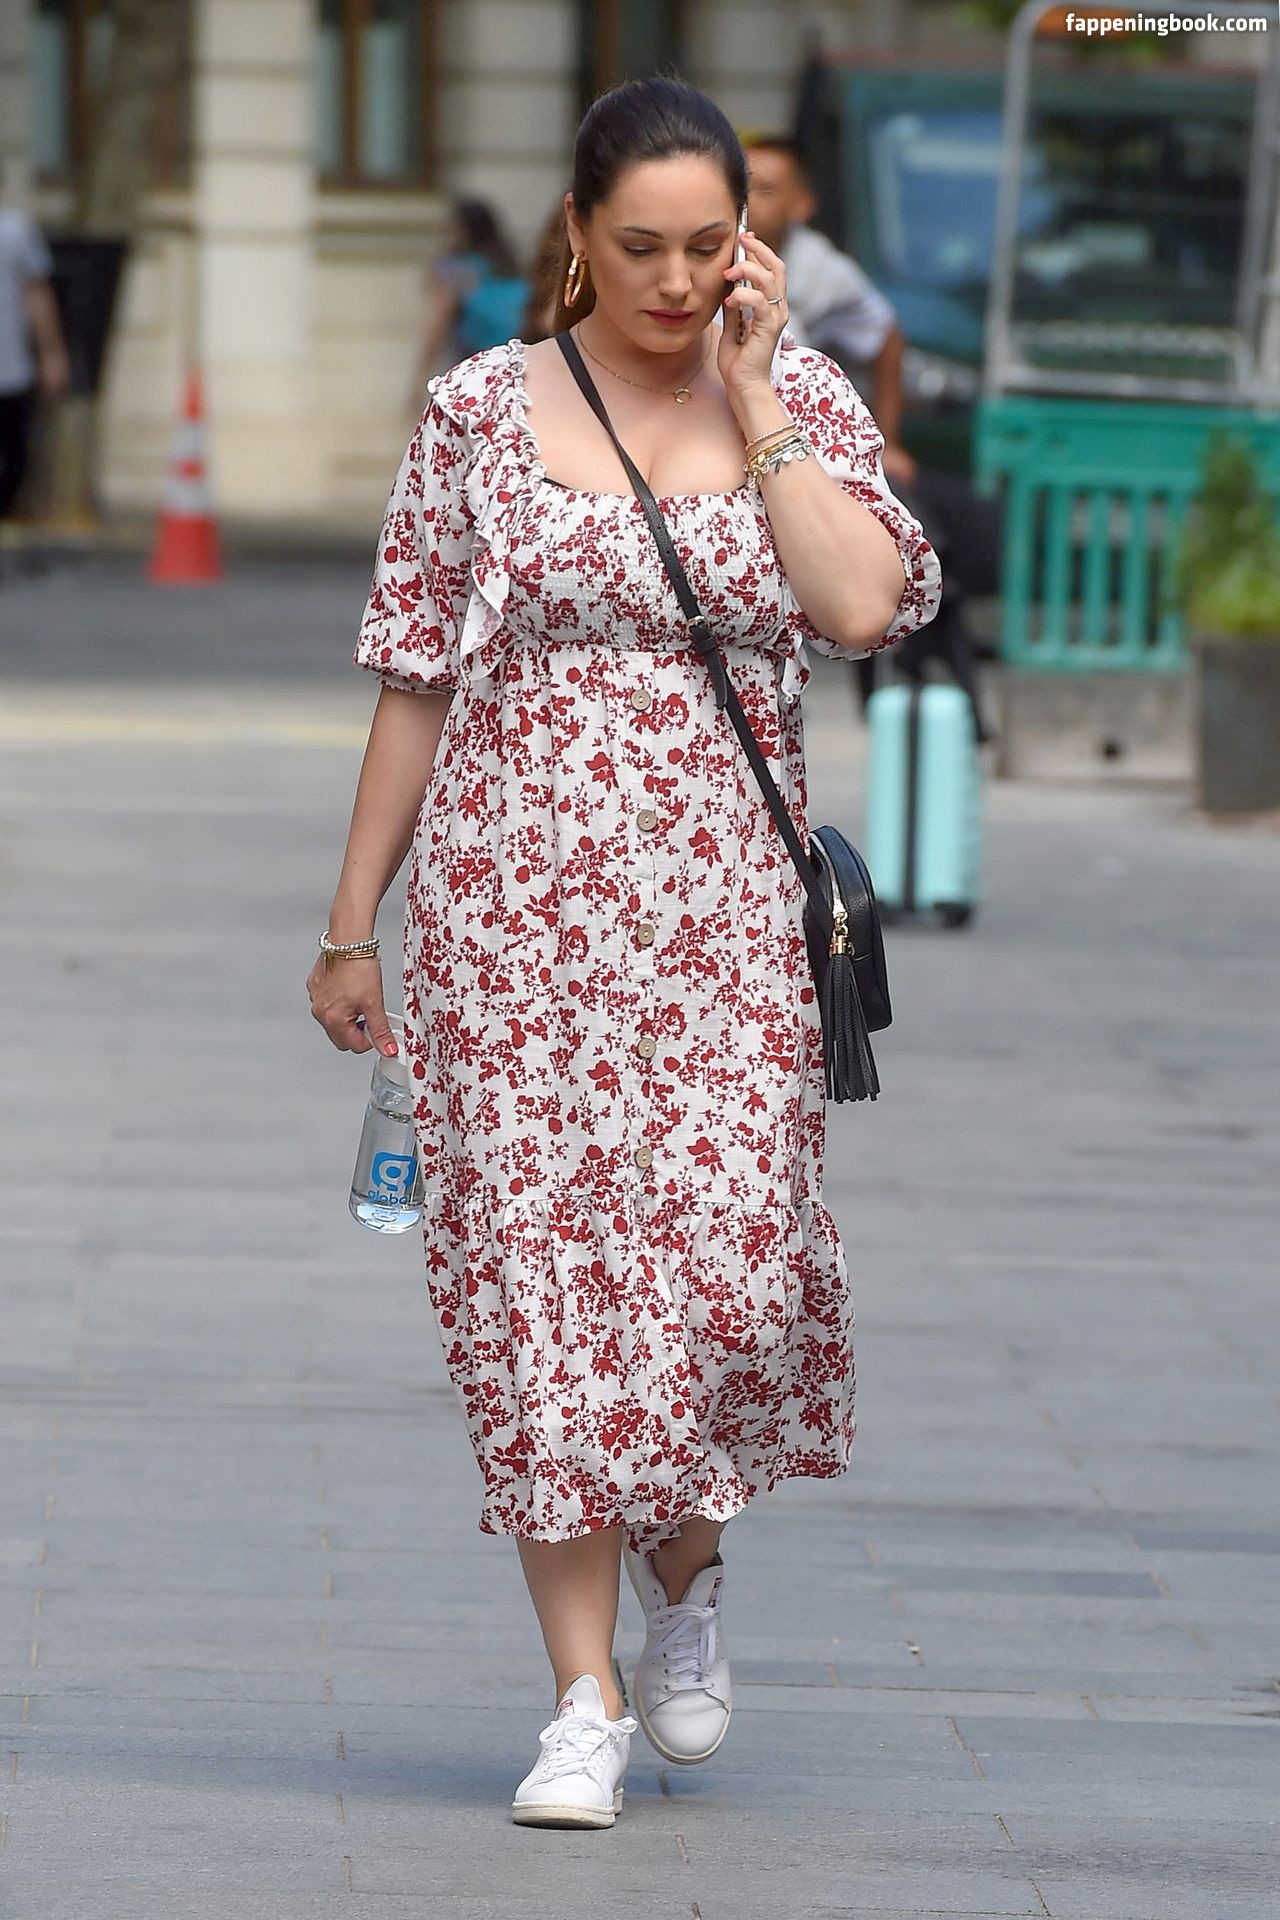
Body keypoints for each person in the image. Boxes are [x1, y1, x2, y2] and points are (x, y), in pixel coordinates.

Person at [308, 76, 940, 1830]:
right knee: (545, 1294)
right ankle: (580, 1697)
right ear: (579, 237)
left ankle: (693, 1575)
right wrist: (354, 921)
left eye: (707, 246)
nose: (674, 280)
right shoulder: (477, 412)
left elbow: (862, 606)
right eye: (640, 246)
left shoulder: (796, 395)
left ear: (753, 242)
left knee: (732, 1271)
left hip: (726, 927)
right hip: (516, 924)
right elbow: (415, 676)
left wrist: (762, 396)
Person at [746, 134, 998, 740]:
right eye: (745, 185)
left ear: (803, 204)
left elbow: (886, 336)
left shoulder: (821, 277)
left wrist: (888, 439)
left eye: (770, 189)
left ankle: (928, 692)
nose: (754, 200)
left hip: (792, 444)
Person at [410, 196, 530, 398]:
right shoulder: (511, 267)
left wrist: (418, 382)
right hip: (518, 370)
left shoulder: (456, 270)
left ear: (463, 232)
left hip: (475, 374)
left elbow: (437, 328)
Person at [0, 204, 69, 520]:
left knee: (16, 459)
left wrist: (51, 354)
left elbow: (37, 294)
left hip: (10, 369)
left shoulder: (16, 230)